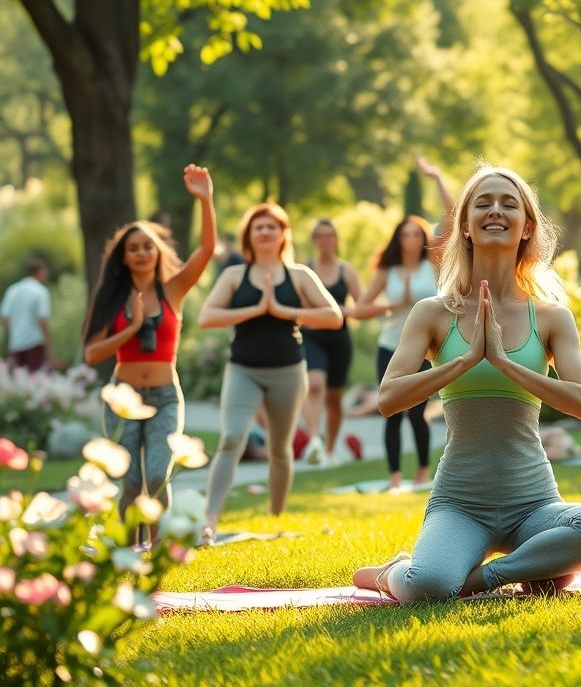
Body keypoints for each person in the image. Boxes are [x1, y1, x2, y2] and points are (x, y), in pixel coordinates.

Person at [353, 165, 581, 600]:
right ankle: (394, 573)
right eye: (483, 203)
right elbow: (388, 399)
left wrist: (505, 363)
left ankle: (482, 580)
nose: (495, 210)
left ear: (527, 226)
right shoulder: (434, 312)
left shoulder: (551, 316)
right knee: (428, 584)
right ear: (464, 226)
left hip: (535, 504)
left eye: (508, 203)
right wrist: (462, 362)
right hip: (461, 504)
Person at [198, 202, 342, 536]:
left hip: (287, 371)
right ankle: (210, 520)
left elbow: (333, 316)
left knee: (280, 448)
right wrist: (253, 310)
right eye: (258, 227)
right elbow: (207, 317)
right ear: (250, 235)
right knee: (231, 436)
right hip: (242, 369)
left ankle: (275, 520)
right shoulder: (235, 275)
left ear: (283, 235)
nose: (264, 232)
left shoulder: (299, 276)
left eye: (271, 227)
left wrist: (281, 309)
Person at [82, 165, 216, 523]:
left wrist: (205, 199)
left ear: (157, 253)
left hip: (164, 397)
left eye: (147, 247)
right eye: (133, 248)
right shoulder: (111, 298)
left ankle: (157, 559)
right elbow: (92, 353)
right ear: (123, 257)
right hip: (122, 398)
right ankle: (128, 558)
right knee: (129, 483)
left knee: (157, 478)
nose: (141, 253)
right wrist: (132, 328)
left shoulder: (172, 290)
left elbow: (206, 249)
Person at [350, 157, 453, 489]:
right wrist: (391, 303)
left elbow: (452, 220)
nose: (410, 239)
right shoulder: (388, 270)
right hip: (390, 346)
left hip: (424, 349)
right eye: (405, 234)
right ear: (398, 238)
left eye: (415, 233)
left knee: (417, 412)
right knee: (390, 411)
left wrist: (437, 177)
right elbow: (362, 309)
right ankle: (394, 477)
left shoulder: (432, 261)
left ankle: (422, 471)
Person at [299, 218, 363, 465]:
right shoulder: (306, 269)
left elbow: (361, 306)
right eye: (321, 236)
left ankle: (329, 450)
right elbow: (297, 304)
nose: (325, 240)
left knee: (334, 399)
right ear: (315, 240)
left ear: (336, 239)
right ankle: (314, 441)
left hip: (339, 339)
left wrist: (340, 311)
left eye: (330, 235)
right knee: (314, 385)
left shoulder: (346, 271)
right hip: (312, 335)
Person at [1, 259, 53, 372]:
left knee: (19, 382)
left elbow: (5, 316)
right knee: (35, 379)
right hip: (34, 342)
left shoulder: (12, 290)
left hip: (16, 343)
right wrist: (49, 349)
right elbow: (42, 320)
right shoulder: (40, 291)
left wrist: (14, 333)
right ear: (39, 272)